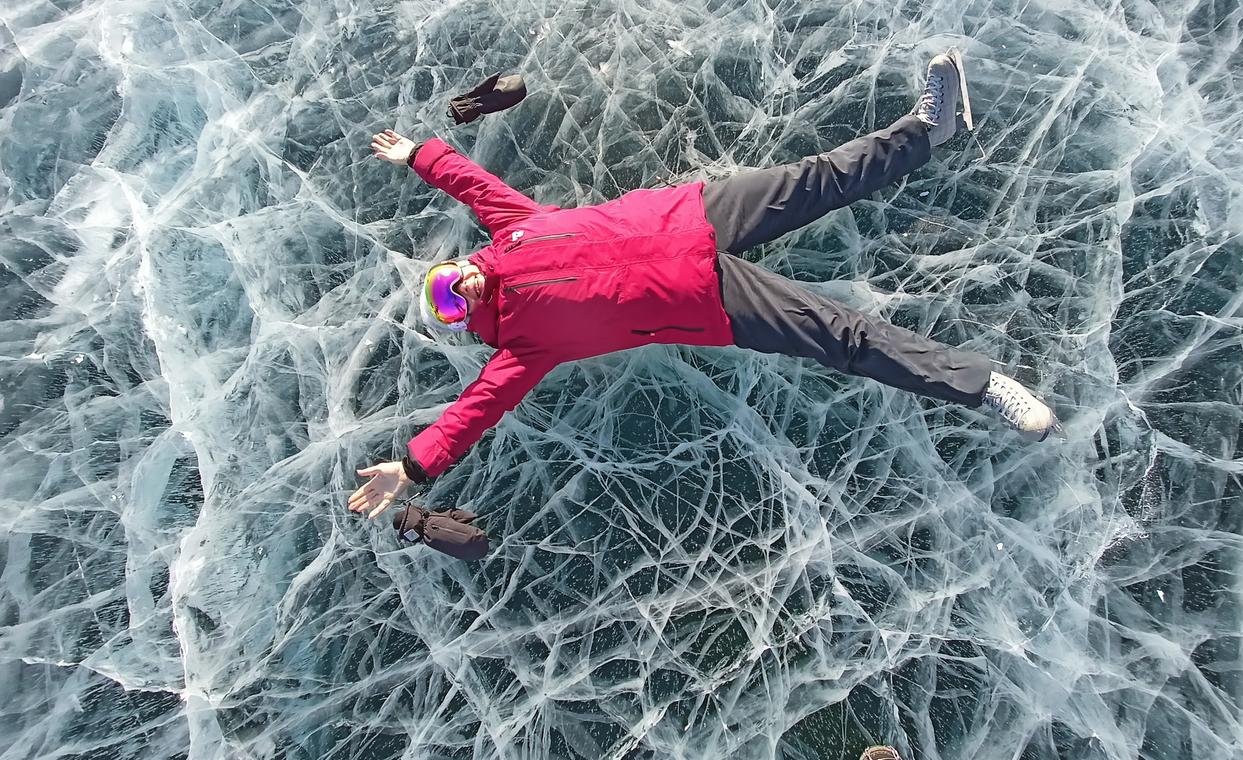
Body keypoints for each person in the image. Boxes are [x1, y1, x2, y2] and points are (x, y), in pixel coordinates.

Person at [348, 50, 1060, 519]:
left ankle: (928, 129)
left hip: (692, 213)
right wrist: (413, 468)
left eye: (448, 279)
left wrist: (418, 154)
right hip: (705, 298)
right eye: (451, 304)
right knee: (842, 338)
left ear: (457, 264)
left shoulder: (513, 232)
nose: (460, 288)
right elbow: (473, 411)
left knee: (822, 177)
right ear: (462, 319)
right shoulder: (521, 348)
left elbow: (473, 184)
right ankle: (983, 386)